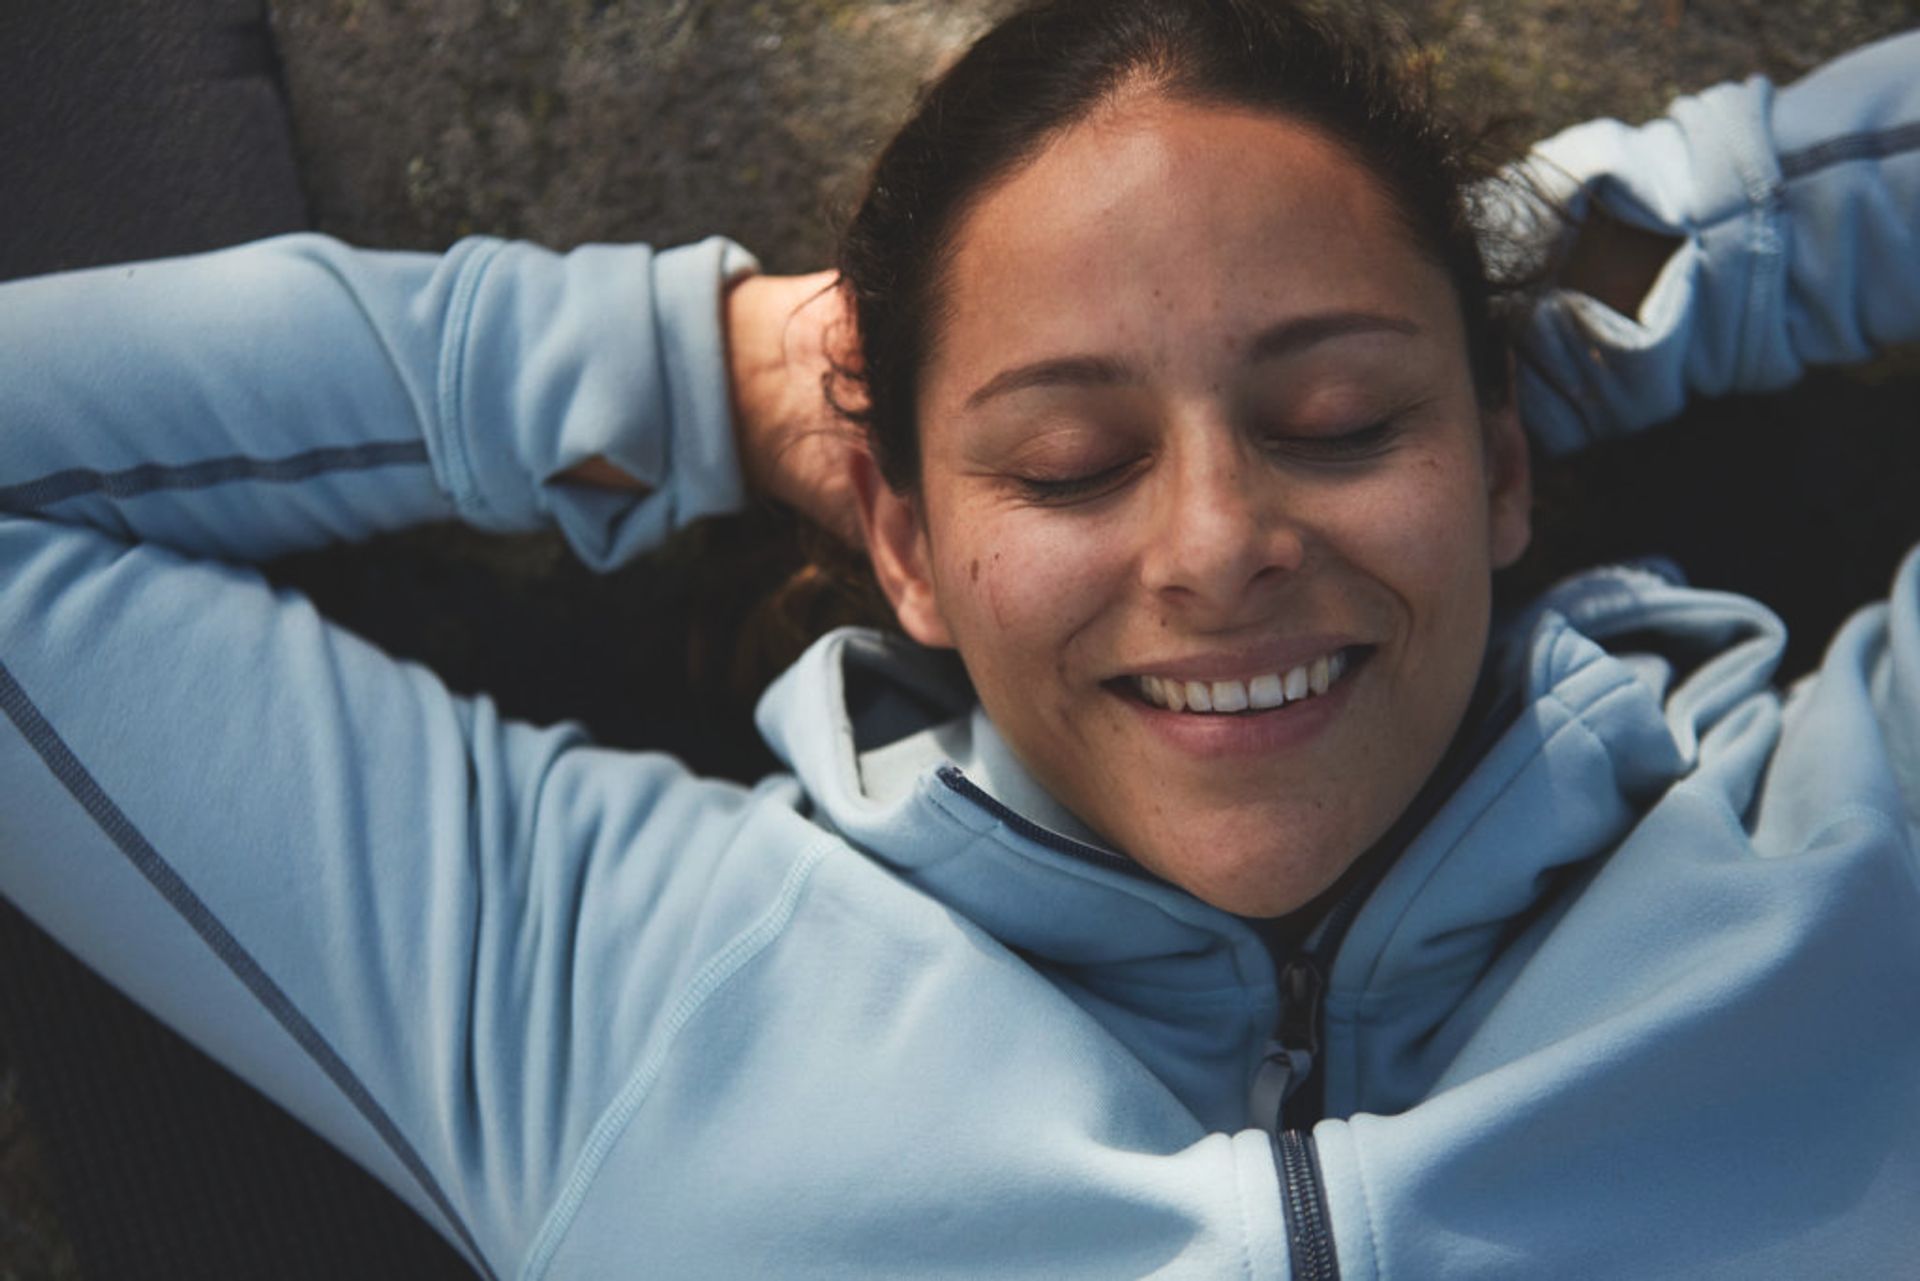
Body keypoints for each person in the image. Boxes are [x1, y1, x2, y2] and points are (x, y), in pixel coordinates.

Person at [2, 0, 1917, 1275]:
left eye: (1343, 423)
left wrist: (1612, 262)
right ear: (903, 540)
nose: (1220, 542)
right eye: (1071, 463)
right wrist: (705, 374)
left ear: (1502, 466)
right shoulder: (619, 991)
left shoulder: (1856, 858)